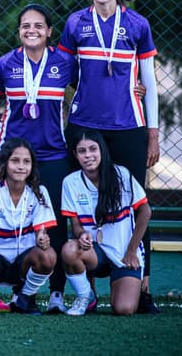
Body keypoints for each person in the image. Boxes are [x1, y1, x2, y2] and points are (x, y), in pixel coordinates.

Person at [58, 0, 160, 313]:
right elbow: (65, 70)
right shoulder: (75, 23)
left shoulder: (137, 24)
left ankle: (143, 284)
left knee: (136, 201)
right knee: (77, 197)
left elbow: (148, 80)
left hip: (129, 126)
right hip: (85, 122)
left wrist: (153, 132)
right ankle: (85, 287)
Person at [0, 4, 75, 313]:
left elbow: (89, 91)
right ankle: (19, 291)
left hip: (52, 154)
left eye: (38, 26)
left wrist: (135, 87)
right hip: (13, 156)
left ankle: (57, 292)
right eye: (25, 26)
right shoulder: (6, 63)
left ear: (50, 32)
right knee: (12, 221)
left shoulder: (65, 62)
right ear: (19, 31)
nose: (31, 30)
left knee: (56, 226)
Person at [60, 130, 152, 316]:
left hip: (123, 253)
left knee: (123, 309)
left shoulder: (121, 175)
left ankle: (125, 284)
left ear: (102, 150)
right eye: (82, 151)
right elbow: (75, 224)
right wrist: (81, 235)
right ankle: (86, 296)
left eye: (93, 149)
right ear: (76, 155)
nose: (88, 156)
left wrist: (132, 251)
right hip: (95, 253)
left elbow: (145, 212)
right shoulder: (70, 182)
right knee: (70, 250)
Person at [0, 138, 57, 315]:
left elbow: (41, 231)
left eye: (26, 162)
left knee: (48, 255)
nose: (21, 166)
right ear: (4, 163)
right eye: (15, 161)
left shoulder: (39, 192)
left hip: (24, 261)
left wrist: (42, 238)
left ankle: (26, 297)